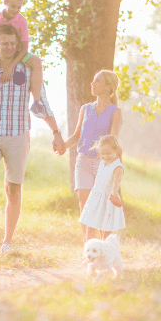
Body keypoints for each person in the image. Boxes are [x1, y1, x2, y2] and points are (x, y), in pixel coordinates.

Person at [0, 24, 65, 253]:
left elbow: (43, 102)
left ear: (18, 45)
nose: (8, 47)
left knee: (13, 189)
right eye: (4, 44)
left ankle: (7, 241)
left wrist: (56, 132)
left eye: (12, 44)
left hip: (18, 135)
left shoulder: (27, 69)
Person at [61, 70, 124, 239]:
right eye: (93, 80)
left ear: (108, 87)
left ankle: (105, 247)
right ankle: (90, 249)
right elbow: (76, 136)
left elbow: (113, 140)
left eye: (97, 81)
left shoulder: (114, 112)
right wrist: (63, 146)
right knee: (85, 203)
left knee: (103, 205)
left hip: (103, 164)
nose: (92, 83)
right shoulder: (85, 109)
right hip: (83, 162)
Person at [79, 135, 125, 241]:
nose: (105, 156)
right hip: (95, 197)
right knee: (90, 225)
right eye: (102, 153)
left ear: (116, 151)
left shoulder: (117, 167)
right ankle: (89, 251)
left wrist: (113, 195)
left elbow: (116, 183)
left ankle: (105, 251)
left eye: (108, 153)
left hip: (107, 200)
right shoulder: (103, 162)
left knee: (106, 229)